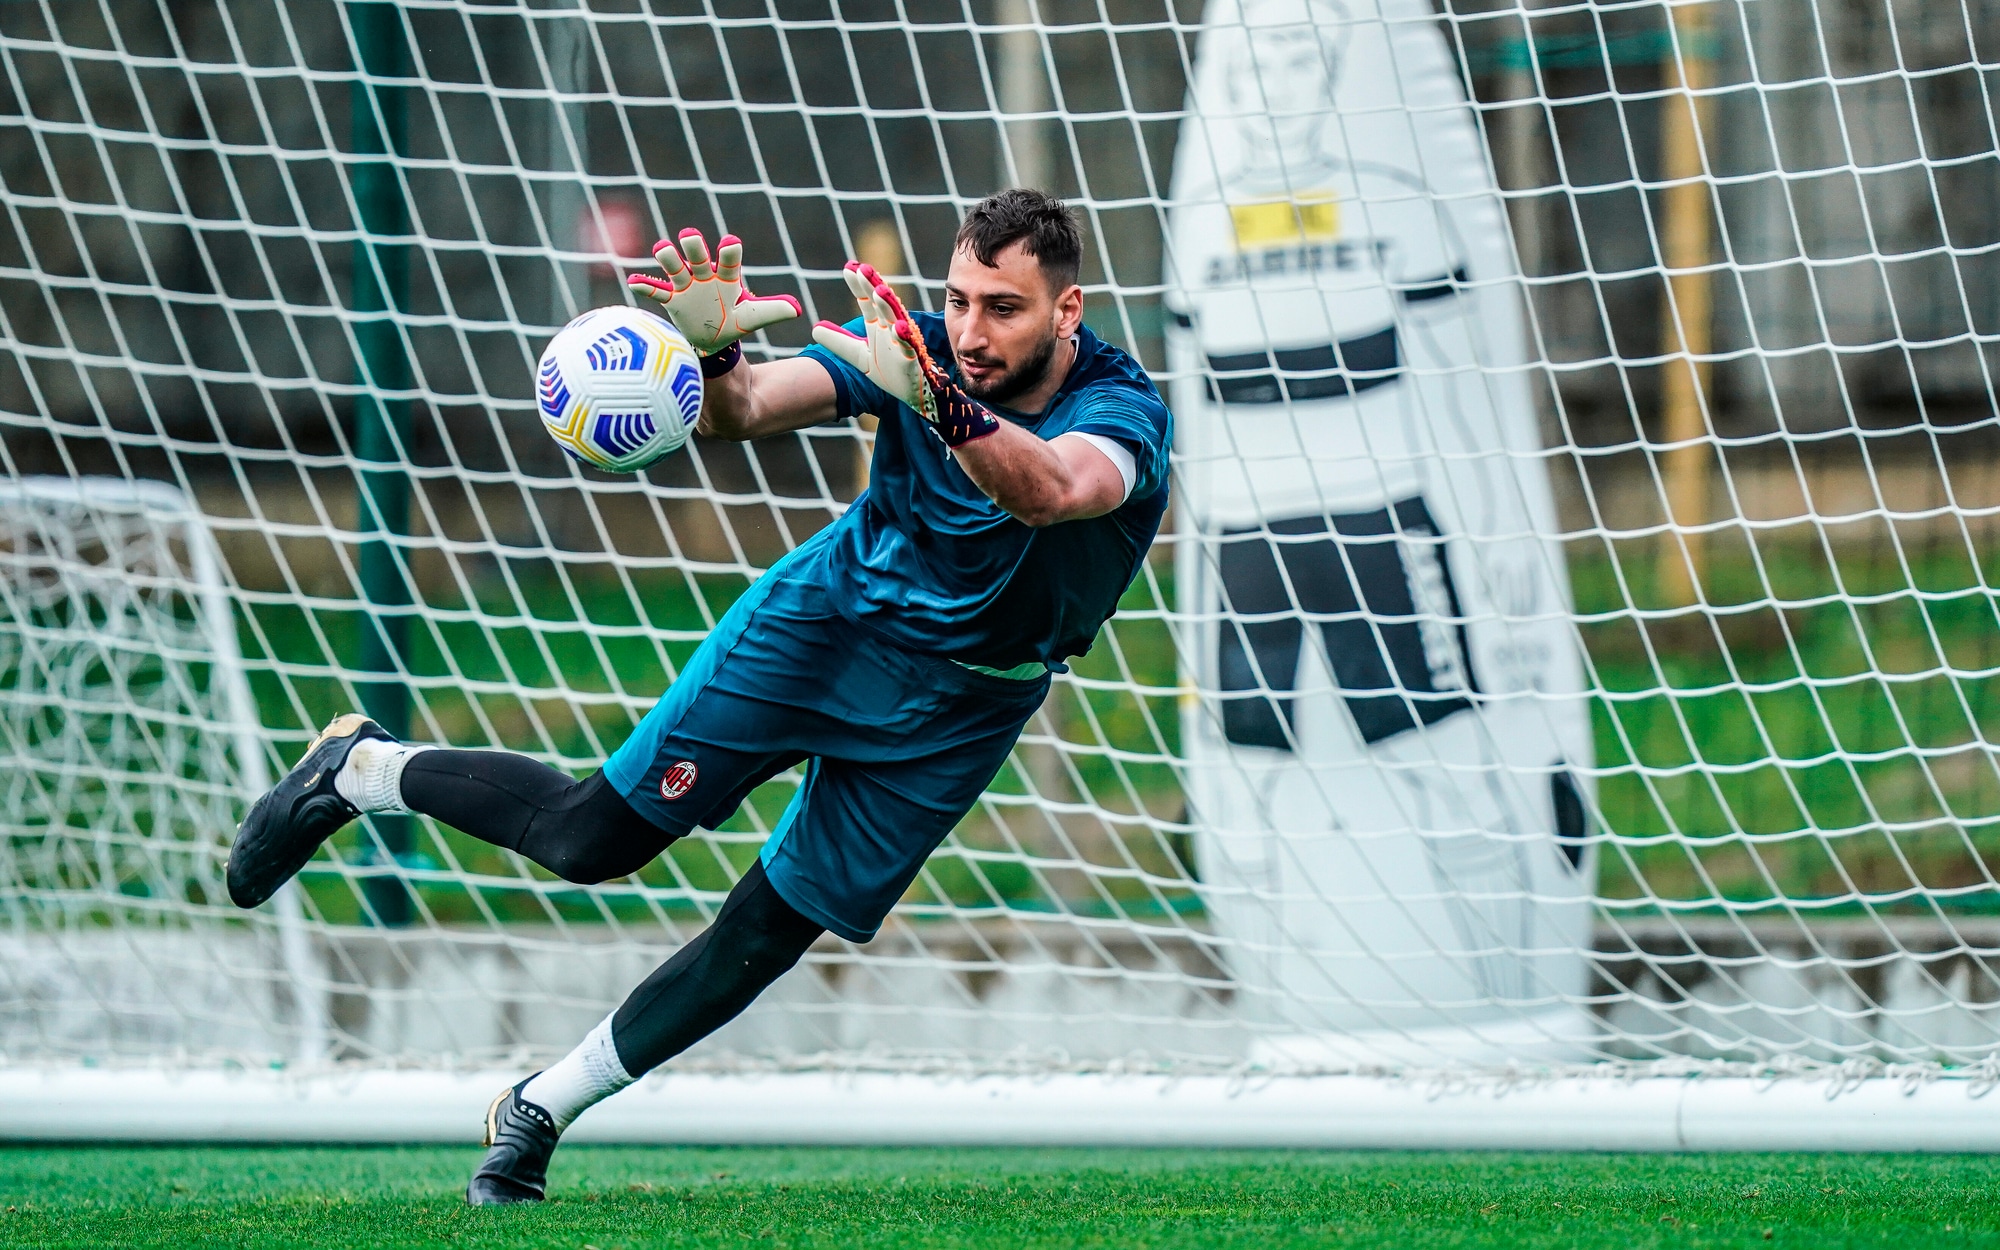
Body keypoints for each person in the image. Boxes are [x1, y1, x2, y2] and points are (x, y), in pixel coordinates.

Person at [223, 189, 1172, 1204]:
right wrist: (716, 357)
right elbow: (745, 410)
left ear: (1066, 310)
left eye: (1004, 308)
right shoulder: (917, 349)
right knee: (591, 840)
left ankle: (538, 1109)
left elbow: (1050, 490)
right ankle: (360, 770)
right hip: (829, 623)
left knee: (768, 932)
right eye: (957, 300)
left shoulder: (1120, 410)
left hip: (964, 708)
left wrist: (934, 395)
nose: (971, 332)